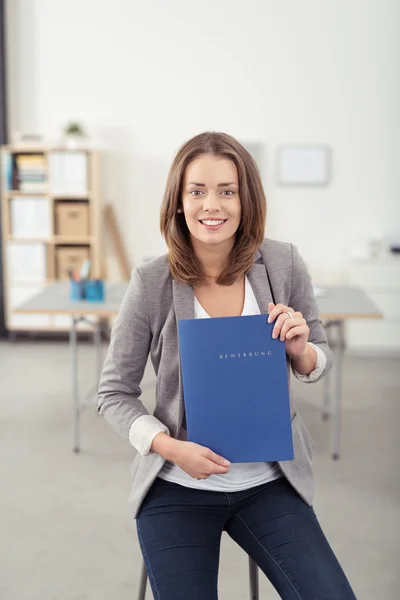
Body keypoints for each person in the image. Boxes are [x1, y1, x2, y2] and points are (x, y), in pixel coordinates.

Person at [98, 132, 356, 599]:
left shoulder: (283, 263)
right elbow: (113, 393)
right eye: (196, 191)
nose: (211, 205)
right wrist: (170, 448)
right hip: (176, 486)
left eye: (227, 190)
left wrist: (301, 350)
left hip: (268, 483)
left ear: (246, 199)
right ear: (178, 201)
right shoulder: (151, 281)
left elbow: (318, 357)